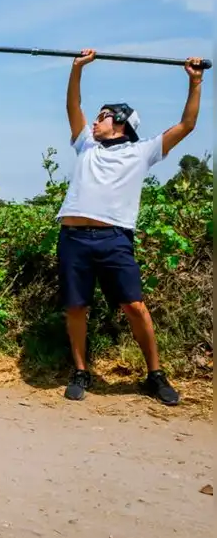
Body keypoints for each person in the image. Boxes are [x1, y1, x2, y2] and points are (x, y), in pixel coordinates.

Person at [56, 50, 206, 406]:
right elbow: (72, 106)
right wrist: (77, 69)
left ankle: (155, 374)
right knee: (76, 308)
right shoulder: (86, 146)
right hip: (73, 238)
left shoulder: (143, 151)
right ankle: (80, 370)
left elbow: (186, 125)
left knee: (135, 306)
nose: (95, 120)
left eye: (103, 116)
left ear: (121, 122)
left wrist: (195, 82)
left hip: (114, 238)